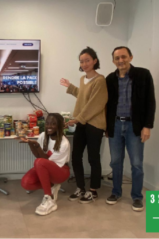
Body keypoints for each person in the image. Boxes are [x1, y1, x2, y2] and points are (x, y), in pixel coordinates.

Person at [105, 46, 156, 212]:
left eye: (124, 57)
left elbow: (150, 102)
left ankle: (137, 196)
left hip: (135, 126)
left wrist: (147, 126)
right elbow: (106, 104)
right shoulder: (110, 79)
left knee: (136, 164)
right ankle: (116, 192)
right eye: (117, 58)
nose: (121, 60)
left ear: (131, 57)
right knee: (115, 162)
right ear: (113, 61)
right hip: (115, 124)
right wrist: (107, 126)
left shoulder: (143, 75)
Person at [60, 47, 108, 204]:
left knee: (93, 157)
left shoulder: (100, 80)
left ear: (95, 61)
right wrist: (71, 87)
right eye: (81, 61)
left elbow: (95, 104)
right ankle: (80, 187)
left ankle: (93, 190)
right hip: (82, 122)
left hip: (94, 124)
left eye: (87, 60)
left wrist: (77, 118)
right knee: (76, 156)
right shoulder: (83, 79)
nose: (84, 63)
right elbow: (83, 97)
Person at [17, 113, 70, 216]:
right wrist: (30, 143)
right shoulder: (43, 136)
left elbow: (43, 160)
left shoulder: (64, 143)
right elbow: (38, 156)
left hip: (61, 172)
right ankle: (51, 186)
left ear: (59, 125)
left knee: (39, 162)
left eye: (53, 124)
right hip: (45, 169)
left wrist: (36, 145)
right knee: (26, 183)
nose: (49, 126)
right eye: (47, 123)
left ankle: (49, 199)